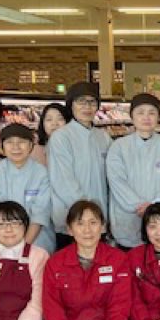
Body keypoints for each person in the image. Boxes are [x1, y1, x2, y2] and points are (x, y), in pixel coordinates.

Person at [107, 94, 160, 249]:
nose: (146, 117)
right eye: (140, 112)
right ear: (132, 116)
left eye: (152, 113)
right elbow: (117, 182)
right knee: (132, 260)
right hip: (129, 219)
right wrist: (138, 205)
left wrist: (156, 205)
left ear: (158, 117)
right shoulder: (119, 147)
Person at [47, 82, 111, 248]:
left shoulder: (103, 137)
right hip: (71, 218)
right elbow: (63, 181)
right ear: (71, 105)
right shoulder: (61, 137)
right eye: (81, 101)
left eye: (92, 102)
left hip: (98, 220)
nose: (87, 107)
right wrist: (86, 214)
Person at [0, 123, 55, 255]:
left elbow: (40, 214)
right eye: (10, 142)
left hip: (37, 238)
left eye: (22, 142)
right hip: (4, 237)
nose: (16, 147)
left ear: (31, 146)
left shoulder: (42, 173)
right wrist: (12, 246)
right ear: (2, 148)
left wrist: (24, 247)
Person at [31, 102, 68, 167]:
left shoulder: (76, 150)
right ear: (43, 124)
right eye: (49, 119)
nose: (54, 123)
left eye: (60, 119)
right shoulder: (36, 152)